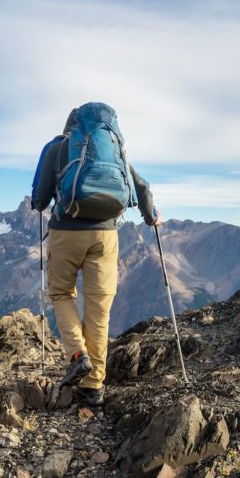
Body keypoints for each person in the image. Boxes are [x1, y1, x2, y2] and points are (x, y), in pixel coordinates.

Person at [31, 102, 161, 407]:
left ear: (71, 128)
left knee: (62, 294)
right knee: (99, 309)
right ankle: (93, 387)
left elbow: (39, 198)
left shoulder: (57, 148)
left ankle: (77, 354)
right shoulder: (114, 150)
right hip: (106, 235)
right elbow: (141, 188)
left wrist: (45, 201)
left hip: (66, 232)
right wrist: (151, 216)